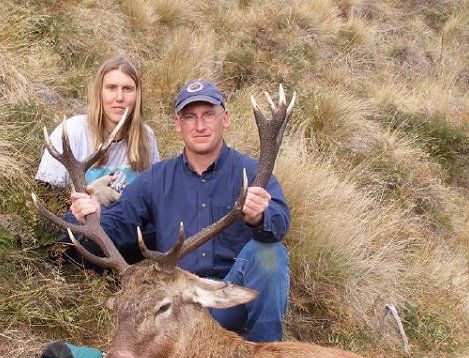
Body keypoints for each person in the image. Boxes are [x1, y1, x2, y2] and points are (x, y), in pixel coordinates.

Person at [68, 80, 290, 342]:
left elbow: (279, 222)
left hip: (229, 299)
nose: (199, 125)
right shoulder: (156, 180)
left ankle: (265, 350)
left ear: (225, 119)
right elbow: (119, 225)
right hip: (176, 308)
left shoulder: (251, 172)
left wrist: (260, 217)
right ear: (178, 125)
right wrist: (90, 216)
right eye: (190, 117)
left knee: (268, 252)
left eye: (209, 115)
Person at [36, 55, 159, 206]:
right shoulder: (72, 133)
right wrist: (83, 201)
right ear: (100, 92)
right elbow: (46, 197)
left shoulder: (146, 137)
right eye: (111, 88)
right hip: (80, 225)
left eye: (127, 89)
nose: (119, 97)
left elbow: (153, 199)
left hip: (129, 226)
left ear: (136, 96)